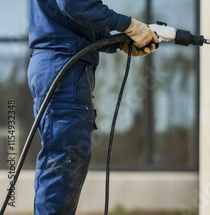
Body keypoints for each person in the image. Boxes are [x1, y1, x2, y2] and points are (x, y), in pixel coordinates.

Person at [27, 0, 158, 214]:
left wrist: (119, 41)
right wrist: (129, 25)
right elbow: (75, 5)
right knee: (65, 157)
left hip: (59, 61)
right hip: (64, 64)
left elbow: (72, 19)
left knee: (63, 158)